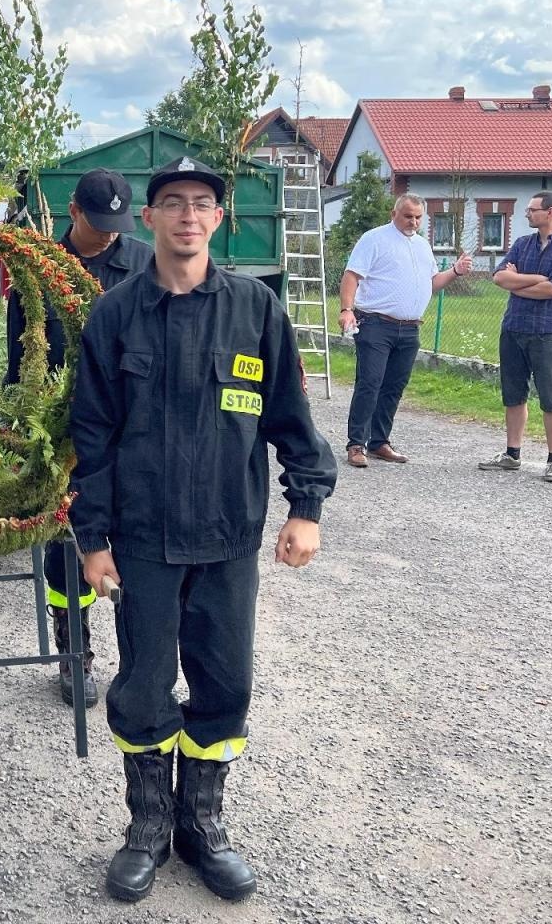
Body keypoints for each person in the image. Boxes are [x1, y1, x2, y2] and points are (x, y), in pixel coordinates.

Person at [69, 155, 337, 905]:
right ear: (149, 218)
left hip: (225, 538)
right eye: (173, 203)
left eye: (203, 204)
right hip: (142, 543)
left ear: (220, 218)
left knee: (226, 684)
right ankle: (148, 828)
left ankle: (202, 824)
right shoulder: (114, 315)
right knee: (143, 686)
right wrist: (92, 539)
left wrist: (306, 507)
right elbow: (91, 436)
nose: (188, 215)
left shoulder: (256, 311)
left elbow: (292, 421)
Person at [5, 168, 150, 707]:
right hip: (64, 429)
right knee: (68, 542)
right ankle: (75, 651)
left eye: (118, 224)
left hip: (134, 427)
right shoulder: (39, 270)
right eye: (99, 223)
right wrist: (22, 422)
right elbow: (23, 355)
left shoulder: (140, 264)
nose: (110, 234)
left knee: (136, 541)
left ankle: (141, 659)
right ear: (74, 211)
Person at [337, 194, 473, 468]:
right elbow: (352, 275)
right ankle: (356, 444)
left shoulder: (422, 246)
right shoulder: (374, 239)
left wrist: (456, 271)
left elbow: (432, 283)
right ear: (394, 213)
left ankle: (379, 442)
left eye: (418, 217)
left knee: (394, 387)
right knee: (370, 383)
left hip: (410, 328)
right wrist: (346, 309)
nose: (413, 221)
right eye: (408, 216)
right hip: (375, 323)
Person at [477, 190, 552, 483]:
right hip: (514, 327)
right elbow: (499, 277)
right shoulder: (522, 244)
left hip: (550, 330)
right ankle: (512, 454)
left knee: (551, 395)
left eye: (532, 209)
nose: (527, 214)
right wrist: (537, 280)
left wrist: (519, 283)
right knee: (513, 393)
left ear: (549, 212)